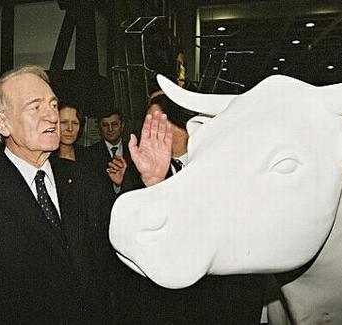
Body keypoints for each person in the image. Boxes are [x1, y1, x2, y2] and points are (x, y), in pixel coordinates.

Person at [0, 66, 110, 324]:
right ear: (1, 122)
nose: (52, 116)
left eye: (53, 105)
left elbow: (104, 271)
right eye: (35, 107)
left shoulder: (83, 179)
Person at [113, 92, 266, 324]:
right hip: (165, 304)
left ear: (181, 123)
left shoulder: (221, 167)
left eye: (158, 122)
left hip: (218, 303)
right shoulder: (138, 172)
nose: (150, 131)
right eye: (147, 122)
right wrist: (155, 183)